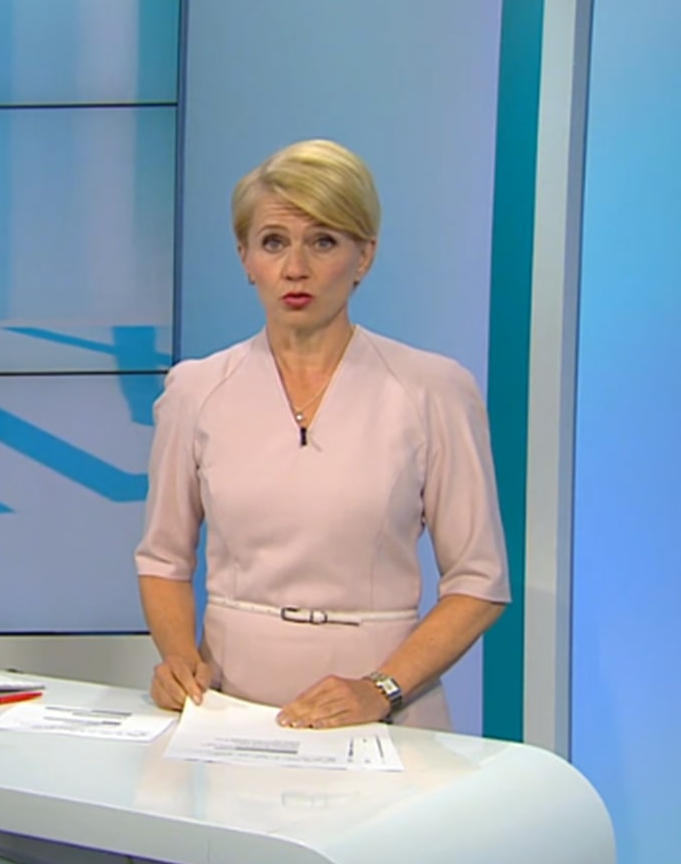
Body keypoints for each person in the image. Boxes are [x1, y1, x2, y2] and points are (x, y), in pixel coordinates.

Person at [134, 139, 509, 730]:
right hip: (230, 712)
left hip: (386, 715)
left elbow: (479, 582)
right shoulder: (195, 390)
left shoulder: (433, 390)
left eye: (324, 242)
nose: (295, 269)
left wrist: (379, 690)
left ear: (365, 256)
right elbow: (163, 559)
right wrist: (179, 661)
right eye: (273, 242)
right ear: (245, 257)